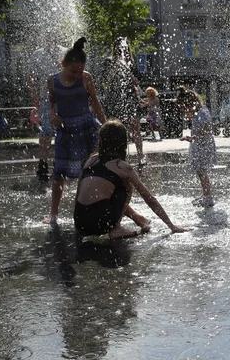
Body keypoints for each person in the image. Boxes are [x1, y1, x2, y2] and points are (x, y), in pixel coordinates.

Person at [74, 120, 192, 239]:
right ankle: (116, 228)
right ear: (122, 142)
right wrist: (172, 226)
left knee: (108, 192)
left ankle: (138, 219)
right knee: (126, 187)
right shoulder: (122, 167)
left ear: (101, 141)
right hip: (101, 225)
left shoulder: (90, 160)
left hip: (80, 224)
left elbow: (78, 194)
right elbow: (149, 199)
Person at [46, 37, 107, 223]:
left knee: (89, 171)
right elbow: (51, 104)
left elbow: (95, 104)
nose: (76, 75)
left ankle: (87, 210)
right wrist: (51, 115)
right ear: (62, 64)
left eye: (79, 71)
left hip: (87, 128)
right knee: (59, 174)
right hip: (65, 130)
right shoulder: (52, 81)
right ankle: (53, 214)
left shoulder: (86, 77)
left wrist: (106, 126)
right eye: (73, 71)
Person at [28, 32, 66, 181]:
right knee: (46, 132)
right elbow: (31, 77)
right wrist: (35, 97)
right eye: (48, 36)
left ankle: (59, 162)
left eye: (54, 36)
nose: (51, 39)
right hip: (46, 99)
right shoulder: (38, 54)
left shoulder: (64, 52)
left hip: (63, 97)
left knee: (61, 131)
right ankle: (43, 163)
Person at [105, 37, 146, 165]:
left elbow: (138, 81)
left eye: (123, 47)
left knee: (135, 127)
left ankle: (140, 155)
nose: (121, 49)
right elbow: (107, 80)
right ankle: (119, 156)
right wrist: (117, 67)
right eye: (118, 47)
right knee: (117, 128)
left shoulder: (131, 64)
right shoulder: (109, 62)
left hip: (130, 97)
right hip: (115, 99)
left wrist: (129, 71)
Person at [177, 87, 217, 207]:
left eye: (186, 106)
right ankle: (205, 193)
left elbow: (206, 130)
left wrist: (192, 138)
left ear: (192, 102)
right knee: (200, 171)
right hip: (199, 144)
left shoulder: (203, 112)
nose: (186, 110)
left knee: (202, 171)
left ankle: (208, 197)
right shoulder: (198, 112)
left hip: (203, 145)